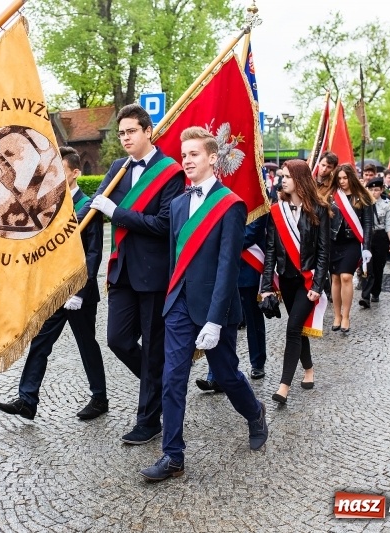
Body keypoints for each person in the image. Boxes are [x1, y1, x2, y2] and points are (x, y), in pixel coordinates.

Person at [139, 127, 267, 482]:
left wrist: (214, 320)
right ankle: (173, 456)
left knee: (226, 375)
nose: (187, 160)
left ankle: (255, 412)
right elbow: (174, 260)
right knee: (172, 378)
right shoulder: (178, 204)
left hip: (215, 309)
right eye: (184, 155)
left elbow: (228, 267)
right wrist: (170, 300)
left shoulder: (231, 205)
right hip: (180, 305)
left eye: (194, 154)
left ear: (212, 158)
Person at [78, 104, 184, 445]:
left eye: (131, 131)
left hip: (154, 273)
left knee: (152, 348)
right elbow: (96, 203)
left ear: (148, 131)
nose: (125, 138)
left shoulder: (171, 172)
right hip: (122, 270)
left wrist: (118, 213)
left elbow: (164, 225)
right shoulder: (117, 168)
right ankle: (161, 384)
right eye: (122, 133)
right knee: (118, 340)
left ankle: (148, 420)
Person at [0, 146, 108, 421]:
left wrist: (80, 291)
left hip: (79, 293)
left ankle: (99, 398)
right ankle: (27, 400)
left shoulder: (88, 207)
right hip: (55, 290)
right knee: (41, 342)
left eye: (60, 170)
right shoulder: (50, 205)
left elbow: (93, 254)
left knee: (87, 345)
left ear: (75, 173)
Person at [261, 160, 330, 404]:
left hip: (307, 281)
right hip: (287, 280)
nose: (283, 180)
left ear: (300, 179)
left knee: (292, 329)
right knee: (298, 328)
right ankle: (308, 368)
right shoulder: (276, 210)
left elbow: (323, 252)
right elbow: (270, 250)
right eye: (282, 176)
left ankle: (284, 387)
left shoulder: (319, 209)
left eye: (288, 176)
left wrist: (317, 286)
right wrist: (266, 288)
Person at [196, 213, 268, 391]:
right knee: (218, 318)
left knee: (252, 318)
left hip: (248, 266)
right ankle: (216, 375)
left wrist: (224, 242)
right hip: (223, 269)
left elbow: (252, 233)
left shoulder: (257, 197)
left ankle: (257, 362)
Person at [328, 163, 373, 331]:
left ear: (351, 178)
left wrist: (366, 246)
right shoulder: (331, 196)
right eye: (339, 178)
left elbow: (368, 224)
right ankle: (337, 315)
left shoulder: (362, 196)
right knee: (335, 278)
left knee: (346, 276)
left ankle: (346, 316)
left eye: (345, 178)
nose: (342, 181)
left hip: (352, 242)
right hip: (334, 241)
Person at [359, 177, 390, 306]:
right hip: (366, 236)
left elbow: (389, 225)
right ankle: (365, 296)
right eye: (371, 189)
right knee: (366, 266)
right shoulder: (363, 203)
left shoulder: (386, 204)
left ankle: (376, 292)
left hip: (380, 237)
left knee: (378, 267)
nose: (373, 192)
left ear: (381, 190)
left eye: (376, 190)